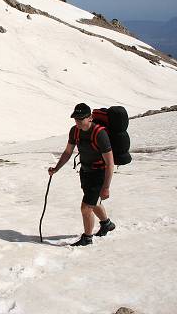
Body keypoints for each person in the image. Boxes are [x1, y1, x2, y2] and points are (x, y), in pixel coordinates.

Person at [48, 103, 116, 246]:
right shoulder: (75, 131)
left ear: (90, 118)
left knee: (86, 207)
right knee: (93, 202)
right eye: (75, 119)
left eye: (81, 118)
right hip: (85, 172)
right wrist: (56, 168)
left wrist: (106, 187)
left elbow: (110, 163)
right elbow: (68, 152)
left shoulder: (100, 134)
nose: (77, 122)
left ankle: (87, 238)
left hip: (99, 174)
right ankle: (107, 224)